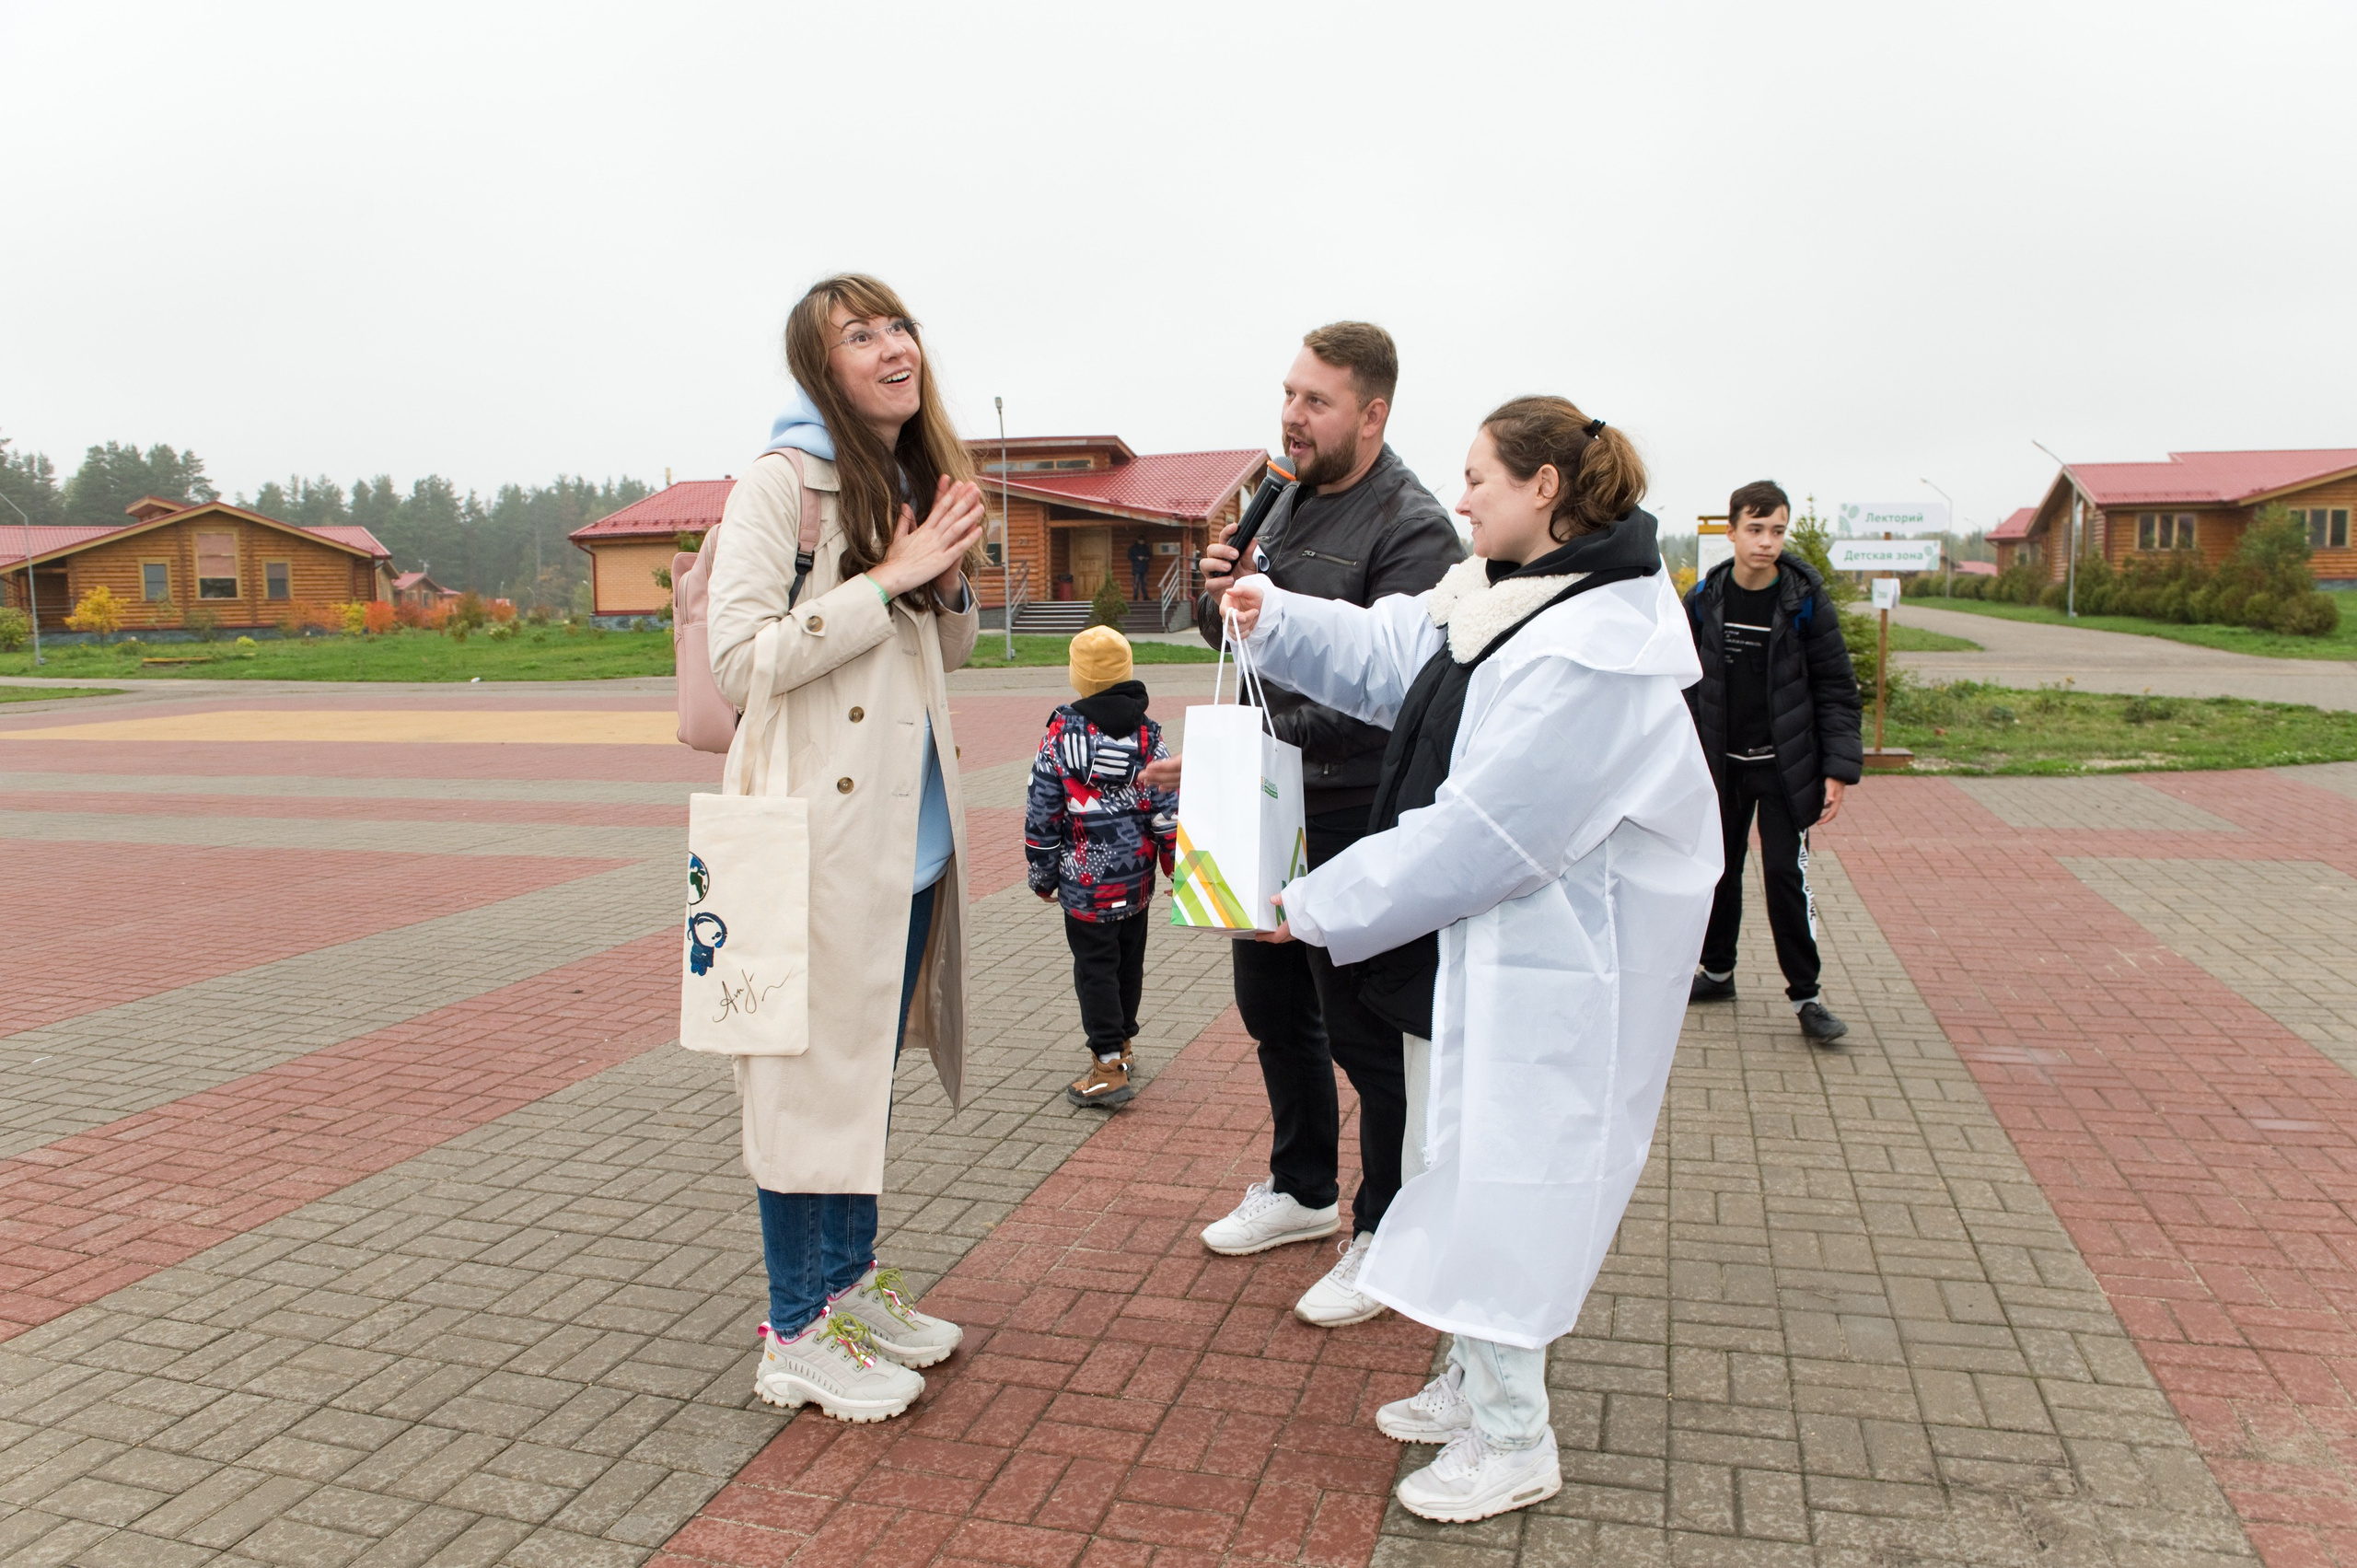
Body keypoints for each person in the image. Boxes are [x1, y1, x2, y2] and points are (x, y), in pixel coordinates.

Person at [1218, 395, 1719, 1524]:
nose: (1461, 498)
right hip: (1483, 955)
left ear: (1545, 488)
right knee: (1457, 1159)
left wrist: (1314, 903)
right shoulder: (1507, 596)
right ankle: (1473, 1376)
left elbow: (1487, 832)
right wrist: (1274, 613)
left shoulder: (1591, 645)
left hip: (1553, 969)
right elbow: (1399, 649)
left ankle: (1513, 1435)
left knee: (1511, 1181)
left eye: (1480, 477)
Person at [705, 273, 985, 1423]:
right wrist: (889, 578)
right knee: (799, 1082)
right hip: (811, 841)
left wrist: (946, 585)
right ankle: (795, 1330)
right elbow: (740, 660)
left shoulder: (911, 476)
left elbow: (941, 655)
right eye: (859, 334)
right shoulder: (782, 484)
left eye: (898, 325)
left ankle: (848, 1288)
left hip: (904, 841)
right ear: (820, 368)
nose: (891, 347)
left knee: (857, 1073)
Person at [1147, 321, 1462, 1328]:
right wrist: (1220, 594)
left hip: (1355, 808)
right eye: (1289, 393)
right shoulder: (1279, 495)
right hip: (1266, 798)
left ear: (1372, 413)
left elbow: (1397, 691)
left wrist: (1263, 734)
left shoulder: (1413, 528)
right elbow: (1240, 641)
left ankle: (1387, 1228)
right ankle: (1302, 1187)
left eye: (1316, 401)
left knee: (1368, 1033)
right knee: (1273, 1006)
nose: (1291, 416)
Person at [1681, 481, 1862, 1042]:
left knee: (1785, 874)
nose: (1767, 542)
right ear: (1731, 531)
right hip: (1721, 767)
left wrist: (1838, 769)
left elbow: (1836, 687)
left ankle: (1807, 997)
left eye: (1777, 531)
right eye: (1755, 529)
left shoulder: (1803, 601)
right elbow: (1682, 684)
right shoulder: (1705, 601)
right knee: (1719, 871)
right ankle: (1718, 972)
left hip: (1786, 768)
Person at [1026, 625, 1177, 1109]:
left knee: (1095, 971)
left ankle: (1108, 1066)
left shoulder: (1058, 740)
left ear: (1078, 678)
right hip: (1135, 884)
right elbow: (1167, 809)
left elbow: (1042, 813)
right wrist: (1178, 866)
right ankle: (1123, 1044)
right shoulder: (1149, 738)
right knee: (1128, 964)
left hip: (1085, 887)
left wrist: (1042, 876)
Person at [1129, 537, 1154, 603]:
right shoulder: (1133, 548)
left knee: (1144, 583)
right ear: (1138, 541)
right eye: (1141, 541)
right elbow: (1129, 556)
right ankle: (1135, 596)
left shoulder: (1146, 548)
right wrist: (1137, 558)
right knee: (1136, 583)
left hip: (1144, 567)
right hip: (1136, 568)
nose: (1142, 542)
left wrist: (1146, 558)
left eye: (1143, 541)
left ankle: (1145, 596)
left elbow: (1150, 555)